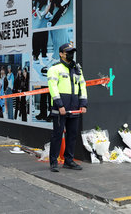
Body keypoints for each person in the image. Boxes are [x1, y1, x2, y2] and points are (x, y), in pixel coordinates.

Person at [47, 43, 87, 172]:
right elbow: (52, 88)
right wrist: (60, 105)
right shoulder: (55, 69)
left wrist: (83, 104)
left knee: (72, 135)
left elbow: (83, 87)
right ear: (61, 54)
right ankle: (53, 162)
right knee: (57, 135)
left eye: (72, 51)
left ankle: (68, 161)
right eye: (68, 52)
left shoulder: (77, 69)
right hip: (61, 109)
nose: (71, 54)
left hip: (74, 107)